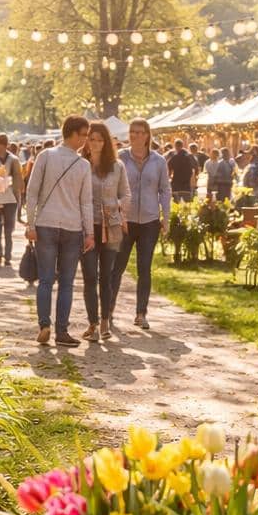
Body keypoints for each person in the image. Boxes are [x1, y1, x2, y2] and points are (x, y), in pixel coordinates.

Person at [26, 115, 94, 346]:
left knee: (45, 280)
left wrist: (30, 223)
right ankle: (61, 332)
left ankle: (44, 324)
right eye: (83, 135)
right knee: (66, 282)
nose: (85, 140)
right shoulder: (83, 165)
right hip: (72, 227)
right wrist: (89, 232)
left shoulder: (46, 156)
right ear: (73, 133)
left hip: (46, 223)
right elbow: (86, 201)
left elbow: (32, 191)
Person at [114, 118, 171, 330]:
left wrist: (166, 216)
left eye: (140, 132)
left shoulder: (159, 161)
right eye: (133, 132)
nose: (136, 136)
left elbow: (165, 189)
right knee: (117, 267)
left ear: (148, 135)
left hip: (149, 221)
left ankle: (141, 313)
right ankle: (108, 312)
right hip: (125, 221)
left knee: (144, 268)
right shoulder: (120, 158)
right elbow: (113, 187)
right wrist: (117, 212)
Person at [80, 121, 131, 341]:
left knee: (106, 276)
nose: (96, 143)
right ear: (87, 141)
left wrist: (118, 207)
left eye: (100, 139)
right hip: (88, 226)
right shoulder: (81, 164)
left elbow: (126, 194)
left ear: (106, 142)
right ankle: (92, 321)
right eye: (92, 139)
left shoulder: (117, 166)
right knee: (90, 275)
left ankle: (105, 320)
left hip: (111, 226)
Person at [0, 134, 23, 272]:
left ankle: (7, 256)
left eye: (1, 144)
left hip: (11, 198)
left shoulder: (14, 160)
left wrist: (18, 194)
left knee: (9, 229)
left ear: (5, 145)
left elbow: (18, 178)